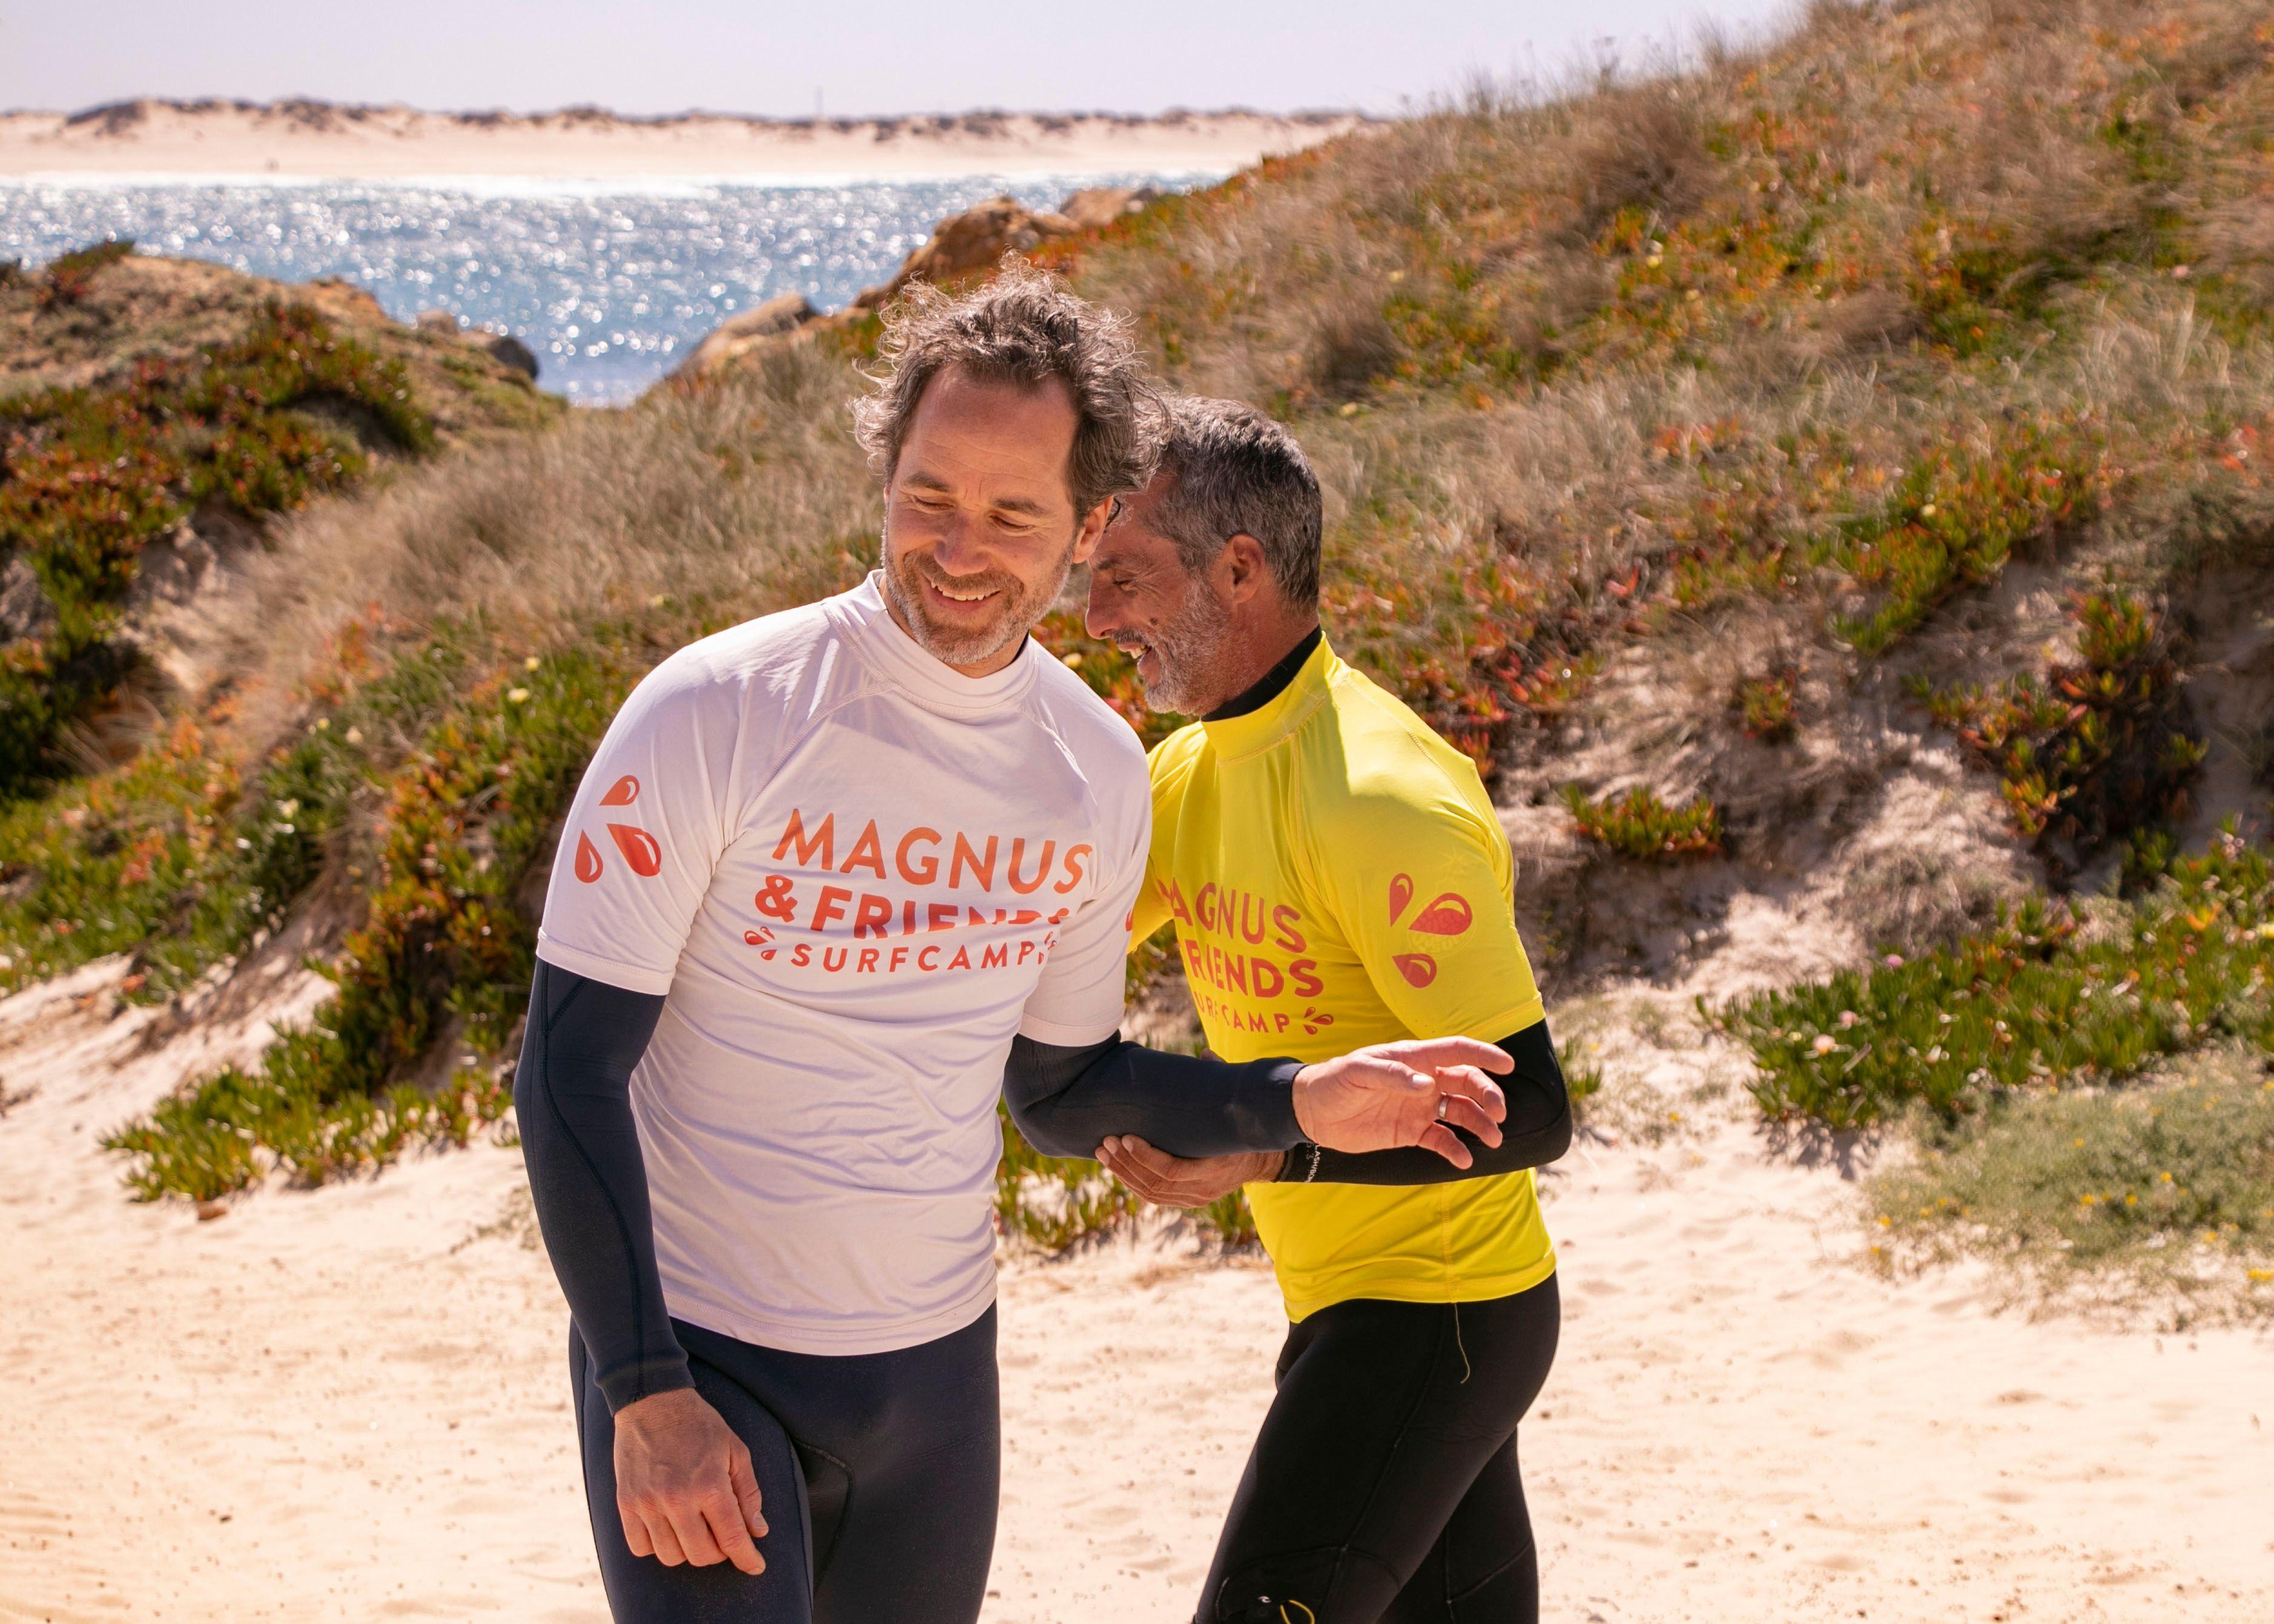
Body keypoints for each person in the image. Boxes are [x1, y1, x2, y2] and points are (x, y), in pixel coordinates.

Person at [514, 268, 1517, 1624]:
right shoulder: (717, 711)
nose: (958, 548)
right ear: (884, 475)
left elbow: (1061, 1090)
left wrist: (1295, 1102)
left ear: (1091, 525)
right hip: (702, 1361)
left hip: (933, 1395)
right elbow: (567, 1072)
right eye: (928, 496)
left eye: (1012, 513)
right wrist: (642, 1390)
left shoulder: (1092, 769)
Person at [1078, 396, 1574, 1624]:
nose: (1096, 619)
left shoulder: (1378, 797)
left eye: (1125, 578)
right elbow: (1024, 955)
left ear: (1239, 570)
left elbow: (1531, 1110)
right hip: (1353, 1311)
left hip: (1441, 1310)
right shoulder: (1189, 774)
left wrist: (1267, 1149)